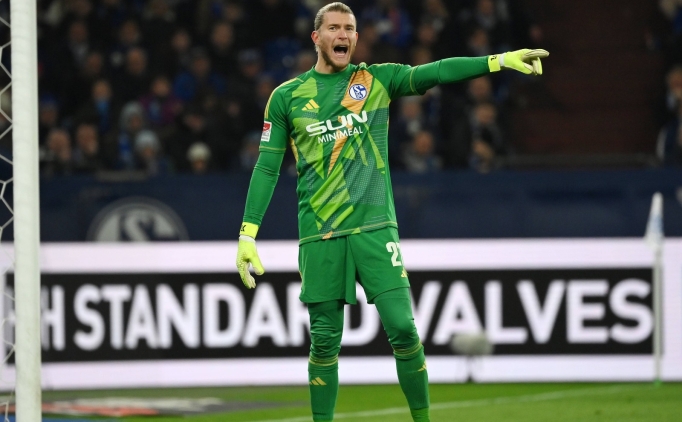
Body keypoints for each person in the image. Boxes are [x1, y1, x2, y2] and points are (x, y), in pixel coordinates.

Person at [235, 3, 548, 421]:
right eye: (334, 28)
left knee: (402, 327)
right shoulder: (286, 97)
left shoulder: (375, 80)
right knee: (324, 341)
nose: (343, 34)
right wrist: (247, 234)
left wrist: (499, 61)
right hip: (320, 232)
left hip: (375, 227)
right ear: (316, 37)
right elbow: (267, 167)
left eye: (350, 28)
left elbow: (436, 72)